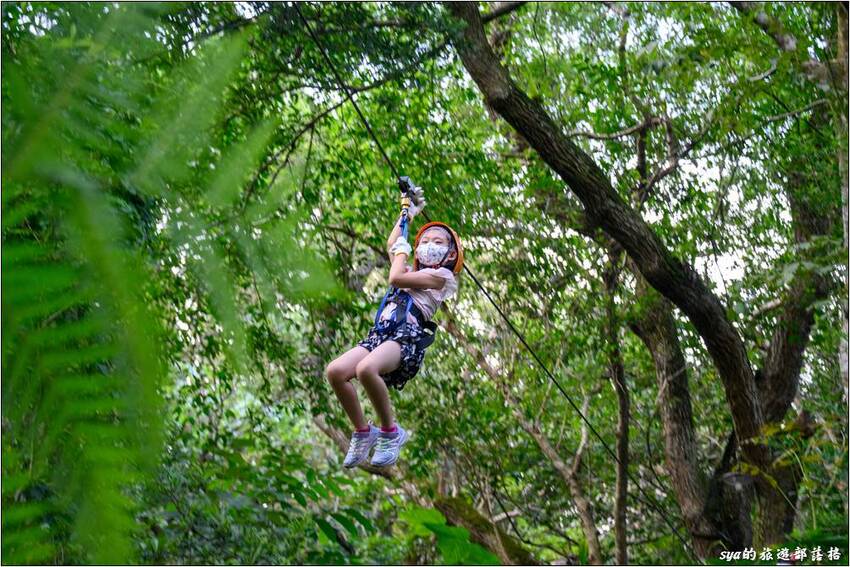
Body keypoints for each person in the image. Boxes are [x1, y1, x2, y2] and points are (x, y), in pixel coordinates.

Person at [324, 186, 463, 468]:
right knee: (336, 372)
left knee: (365, 370)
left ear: (449, 253)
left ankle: (391, 431)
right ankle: (364, 432)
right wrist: (407, 216)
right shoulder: (411, 270)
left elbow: (395, 277)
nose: (430, 244)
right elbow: (392, 245)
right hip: (381, 337)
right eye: (427, 240)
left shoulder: (440, 277)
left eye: (438, 242)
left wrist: (401, 251)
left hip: (405, 340)